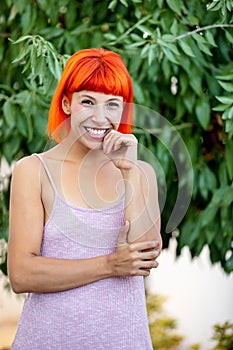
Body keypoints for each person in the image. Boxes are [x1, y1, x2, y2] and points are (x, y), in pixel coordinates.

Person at [8, 48, 162, 350]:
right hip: (47, 341)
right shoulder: (33, 171)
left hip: (124, 341)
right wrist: (109, 265)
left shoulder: (141, 174)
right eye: (88, 101)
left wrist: (129, 173)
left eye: (112, 104)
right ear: (67, 103)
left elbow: (144, 259)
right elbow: (22, 274)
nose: (100, 117)